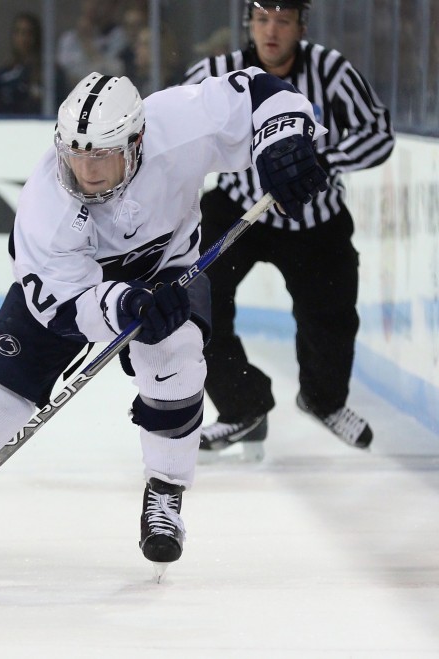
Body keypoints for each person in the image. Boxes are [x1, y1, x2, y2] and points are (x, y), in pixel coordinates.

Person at [0, 69, 328, 575]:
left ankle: (165, 495)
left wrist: (283, 140)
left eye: (100, 156)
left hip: (169, 269)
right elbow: (66, 306)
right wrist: (125, 306)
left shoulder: (180, 122)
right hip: (81, 292)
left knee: (175, 358)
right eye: (76, 154)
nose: (85, 171)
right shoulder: (44, 207)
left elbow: (262, 93)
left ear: (136, 142)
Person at [181, 0, 394, 461]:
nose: (271, 31)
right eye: (262, 20)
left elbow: (378, 134)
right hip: (239, 210)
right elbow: (175, 135)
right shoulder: (217, 73)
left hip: (314, 215)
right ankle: (244, 407)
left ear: (301, 26)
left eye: (283, 21)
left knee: (331, 317)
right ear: (249, 24)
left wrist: (320, 159)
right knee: (197, 305)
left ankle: (322, 399)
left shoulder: (331, 70)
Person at [0, 12, 68, 116]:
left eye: (28, 33)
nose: (23, 38)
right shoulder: (4, 74)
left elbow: (60, 105)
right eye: (18, 32)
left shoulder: (51, 73)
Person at [56, 0, 129, 84]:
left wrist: (87, 43)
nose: (94, 6)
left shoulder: (119, 36)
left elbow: (112, 73)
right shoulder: (68, 39)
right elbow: (66, 72)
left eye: (100, 2)